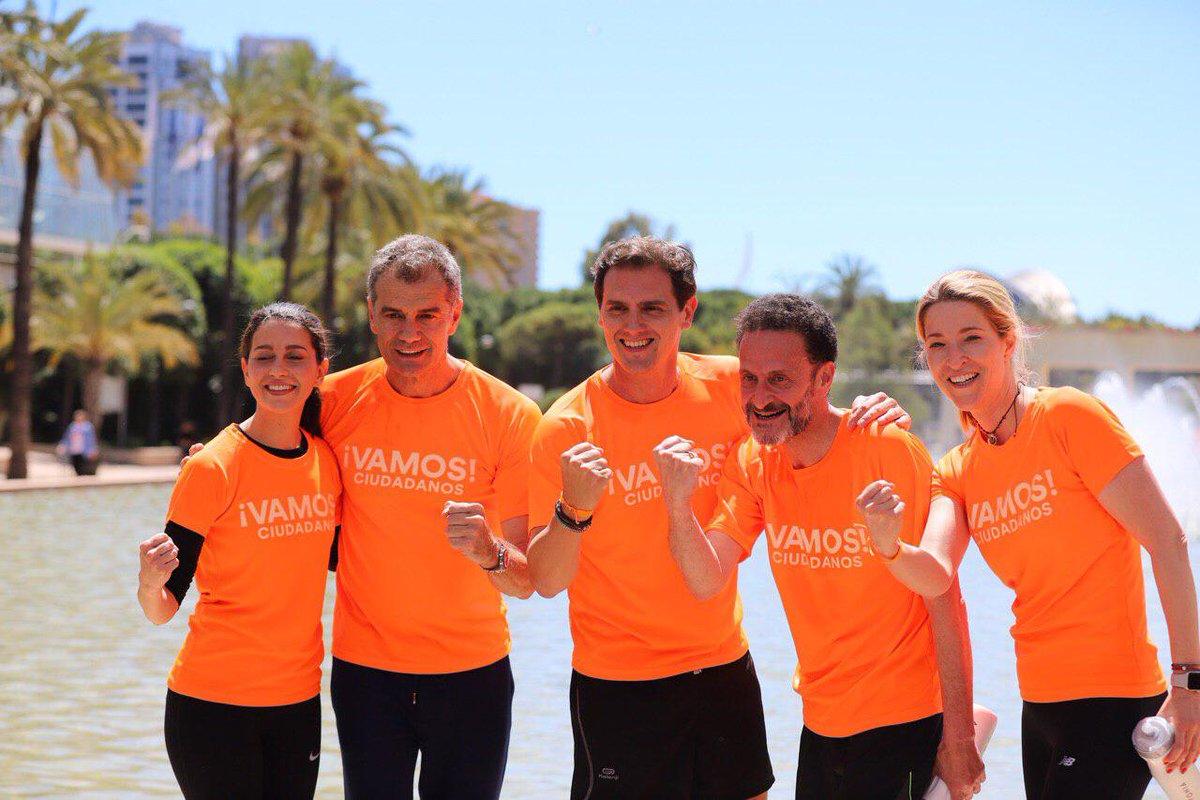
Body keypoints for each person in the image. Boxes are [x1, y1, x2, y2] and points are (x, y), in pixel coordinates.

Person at [527, 237, 911, 800]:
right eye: (618, 309)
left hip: (723, 668)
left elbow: (805, 414)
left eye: (653, 307)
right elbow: (547, 580)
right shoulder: (566, 427)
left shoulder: (734, 386)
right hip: (619, 683)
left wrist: (871, 414)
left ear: (687, 311)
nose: (633, 325)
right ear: (600, 314)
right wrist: (573, 509)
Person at [866, 269, 1200, 799]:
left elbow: (1168, 541)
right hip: (1040, 706)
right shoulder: (957, 467)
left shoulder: (1068, 417)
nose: (955, 359)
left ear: (1008, 341)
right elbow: (932, 574)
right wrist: (885, 542)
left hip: (1114, 698)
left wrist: (1188, 686)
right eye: (937, 345)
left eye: (971, 338)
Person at [655, 293, 984, 800]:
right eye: (749, 378)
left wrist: (959, 735)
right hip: (821, 724)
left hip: (905, 719)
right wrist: (677, 505)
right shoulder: (752, 462)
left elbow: (944, 595)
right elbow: (705, 579)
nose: (760, 397)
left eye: (780, 379)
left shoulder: (885, 447)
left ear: (824, 377)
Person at [318, 235, 540, 799]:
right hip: (366, 674)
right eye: (392, 314)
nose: (409, 333)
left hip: (473, 675)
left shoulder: (509, 414)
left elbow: (527, 578)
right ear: (371, 315)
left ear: (455, 313)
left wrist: (487, 549)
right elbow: (267, 460)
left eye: (427, 315)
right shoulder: (333, 400)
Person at [137, 302, 340, 800]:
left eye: (295, 356)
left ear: (320, 370)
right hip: (212, 704)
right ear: (245, 369)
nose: (278, 369)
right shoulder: (211, 468)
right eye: (264, 356)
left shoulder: (328, 463)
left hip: (298, 702)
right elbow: (163, 609)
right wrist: (147, 580)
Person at [58, 409, 99, 475]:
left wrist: (93, 450)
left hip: (84, 451)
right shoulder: (72, 426)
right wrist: (63, 445)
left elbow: (91, 440)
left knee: (84, 466)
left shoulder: (88, 427)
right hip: (74, 450)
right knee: (76, 466)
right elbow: (67, 437)